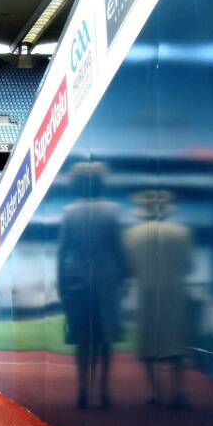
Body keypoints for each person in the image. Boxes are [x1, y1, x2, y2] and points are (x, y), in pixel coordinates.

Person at [57, 161, 126, 409]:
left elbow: (62, 252)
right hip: (107, 281)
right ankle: (104, 390)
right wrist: (125, 278)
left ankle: (83, 391)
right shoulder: (112, 210)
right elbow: (118, 249)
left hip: (76, 280)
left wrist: (61, 283)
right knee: (104, 339)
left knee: (82, 340)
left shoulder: (70, 212)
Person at [125, 189, 192, 407]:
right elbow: (189, 266)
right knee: (176, 344)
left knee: (148, 344)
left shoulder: (132, 234)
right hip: (174, 293)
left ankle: (154, 392)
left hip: (146, 293)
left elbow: (129, 268)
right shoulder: (181, 232)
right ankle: (179, 391)